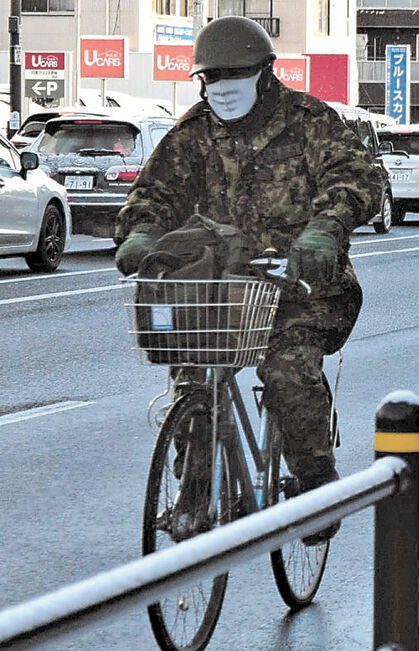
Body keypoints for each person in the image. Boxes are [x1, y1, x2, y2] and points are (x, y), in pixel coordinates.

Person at [114, 16, 383, 544]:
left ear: (265, 73)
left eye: (235, 75)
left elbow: (357, 177)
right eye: (212, 78)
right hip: (223, 287)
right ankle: (193, 493)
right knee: (192, 372)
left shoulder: (311, 122)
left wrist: (325, 230)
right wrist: (141, 236)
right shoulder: (193, 133)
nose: (223, 87)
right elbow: (154, 194)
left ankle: (316, 485)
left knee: (286, 368)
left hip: (303, 285)